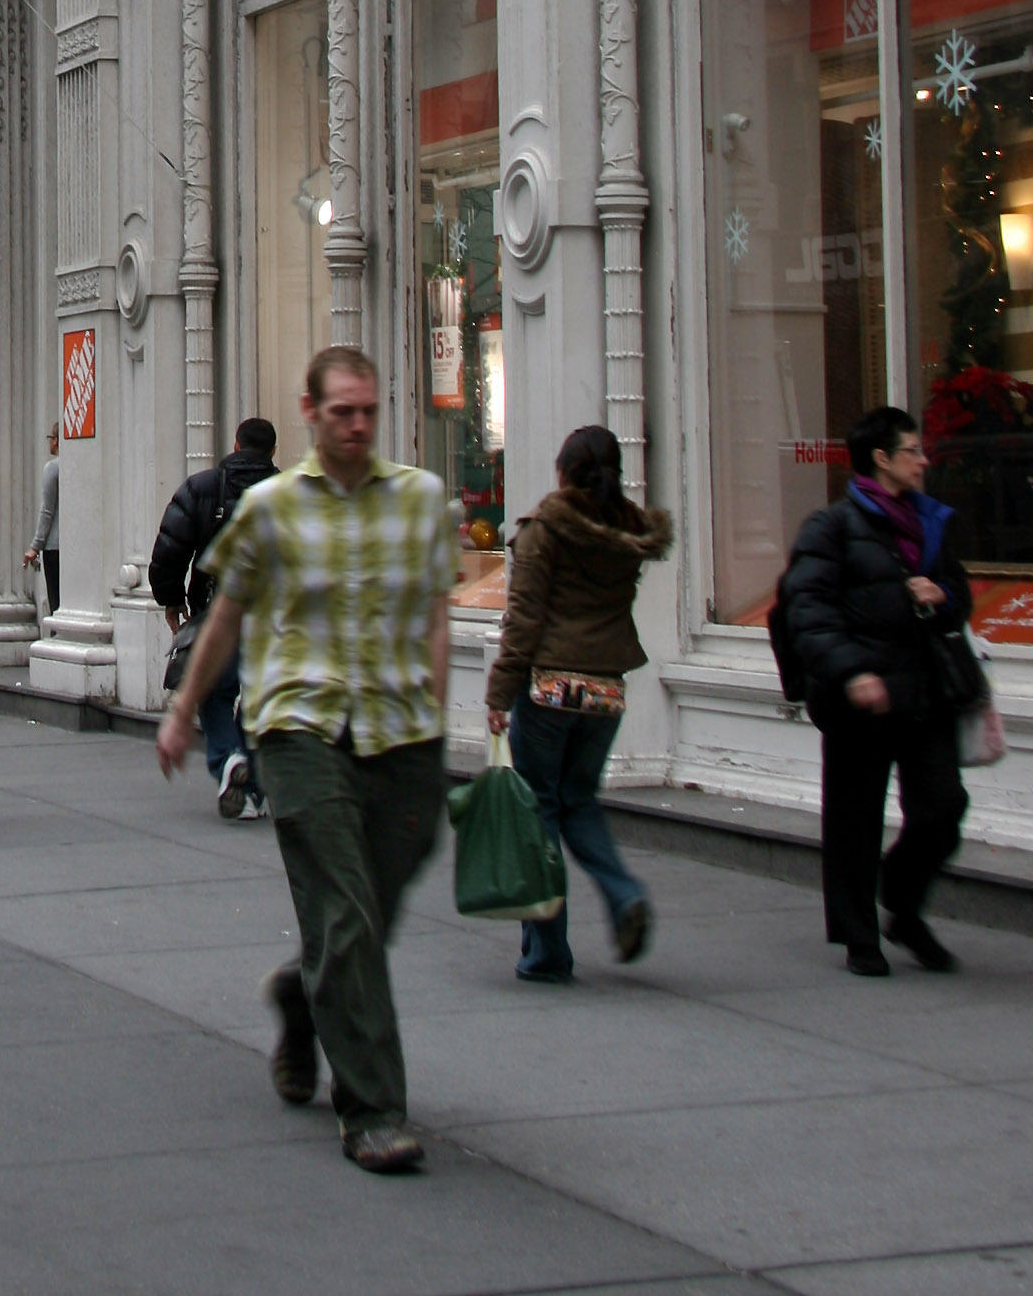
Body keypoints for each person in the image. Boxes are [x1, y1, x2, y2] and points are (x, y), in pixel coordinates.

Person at [157, 347, 451, 1175]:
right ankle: (374, 1111)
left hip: (399, 733)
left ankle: (301, 993)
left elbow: (435, 615)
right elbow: (226, 617)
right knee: (348, 910)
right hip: (298, 727)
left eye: (369, 411)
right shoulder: (271, 509)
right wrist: (183, 713)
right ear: (310, 412)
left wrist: (435, 713)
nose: (358, 425)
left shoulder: (420, 501)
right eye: (342, 412)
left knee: (371, 910)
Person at [779, 404, 974, 976]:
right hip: (859, 696)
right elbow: (805, 610)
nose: (923, 461)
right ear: (881, 459)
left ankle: (904, 905)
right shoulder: (831, 527)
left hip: (925, 690)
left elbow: (959, 591)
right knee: (854, 820)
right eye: (913, 450)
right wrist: (850, 673)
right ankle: (859, 934)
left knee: (943, 807)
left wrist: (942, 595)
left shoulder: (930, 522)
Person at [484, 425, 666, 982]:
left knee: (540, 809)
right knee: (580, 801)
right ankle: (623, 892)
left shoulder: (545, 531)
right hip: (606, 688)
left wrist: (498, 692)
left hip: (549, 688)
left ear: (563, 470)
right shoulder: (627, 532)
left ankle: (547, 950)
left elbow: (525, 620)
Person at [150, 417, 281, 819]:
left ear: (237, 444)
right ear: (272, 452)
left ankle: (227, 760)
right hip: (272, 615)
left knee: (212, 690)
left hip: (215, 608)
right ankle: (253, 783)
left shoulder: (204, 487)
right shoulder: (287, 493)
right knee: (259, 699)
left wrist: (171, 600)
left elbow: (170, 548)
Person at [21, 427, 62, 616]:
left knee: (56, 600)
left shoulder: (52, 468)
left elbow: (47, 510)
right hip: (72, 547)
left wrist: (35, 546)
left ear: (56, 440)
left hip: (54, 545)